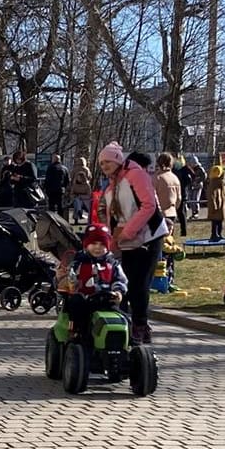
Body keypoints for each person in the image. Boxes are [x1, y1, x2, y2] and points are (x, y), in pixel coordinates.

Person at [99, 143, 164, 343]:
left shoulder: (136, 175)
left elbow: (149, 205)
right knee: (125, 284)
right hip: (125, 241)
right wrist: (110, 235)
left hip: (147, 237)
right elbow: (113, 214)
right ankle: (126, 323)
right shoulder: (112, 184)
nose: (104, 166)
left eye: (107, 161)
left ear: (118, 159)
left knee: (139, 285)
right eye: (101, 163)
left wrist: (127, 231)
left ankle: (140, 326)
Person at [62, 227, 127, 340]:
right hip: (85, 299)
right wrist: (69, 282)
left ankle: (129, 340)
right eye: (94, 243)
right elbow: (69, 278)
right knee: (76, 304)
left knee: (124, 318)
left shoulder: (113, 264)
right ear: (86, 245)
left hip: (106, 299)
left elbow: (120, 280)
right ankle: (77, 333)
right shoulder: (78, 263)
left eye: (102, 244)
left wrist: (118, 292)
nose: (98, 247)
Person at [152, 152, 183, 237]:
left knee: (159, 242)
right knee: (169, 240)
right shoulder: (175, 178)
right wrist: (175, 208)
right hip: (172, 212)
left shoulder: (156, 178)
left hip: (159, 214)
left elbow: (152, 197)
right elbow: (179, 198)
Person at [204, 161, 225, 240]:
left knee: (220, 221)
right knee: (215, 222)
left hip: (221, 205)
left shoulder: (221, 183)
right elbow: (211, 196)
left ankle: (219, 234)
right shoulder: (214, 183)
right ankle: (214, 234)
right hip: (217, 206)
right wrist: (214, 206)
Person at [68, 157, 94, 226]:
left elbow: (71, 178)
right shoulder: (87, 169)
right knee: (77, 200)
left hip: (83, 196)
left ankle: (77, 217)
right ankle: (79, 213)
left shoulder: (74, 170)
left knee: (77, 201)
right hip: (80, 195)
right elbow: (90, 177)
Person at [181, 153, 205, 220]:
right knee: (191, 200)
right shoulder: (190, 169)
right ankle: (192, 213)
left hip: (198, 186)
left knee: (195, 199)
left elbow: (204, 176)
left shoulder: (200, 169)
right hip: (191, 186)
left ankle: (196, 213)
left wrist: (197, 181)